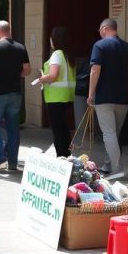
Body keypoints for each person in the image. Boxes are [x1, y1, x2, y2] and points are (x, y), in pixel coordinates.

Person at [87, 18, 128, 179]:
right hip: (123, 98)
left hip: (104, 97)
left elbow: (95, 69)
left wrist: (91, 93)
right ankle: (108, 164)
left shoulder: (99, 46)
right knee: (114, 133)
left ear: (104, 29)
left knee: (109, 133)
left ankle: (117, 169)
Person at [0, 21, 30, 173]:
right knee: (13, 128)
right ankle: (13, 163)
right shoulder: (20, 47)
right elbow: (27, 70)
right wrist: (16, 75)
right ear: (9, 31)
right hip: (15, 92)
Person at [35, 26, 75, 158]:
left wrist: (42, 78)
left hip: (55, 98)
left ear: (55, 40)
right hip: (67, 96)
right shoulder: (69, 54)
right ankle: (67, 154)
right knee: (63, 127)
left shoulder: (57, 54)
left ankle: (61, 156)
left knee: (58, 130)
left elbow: (53, 75)